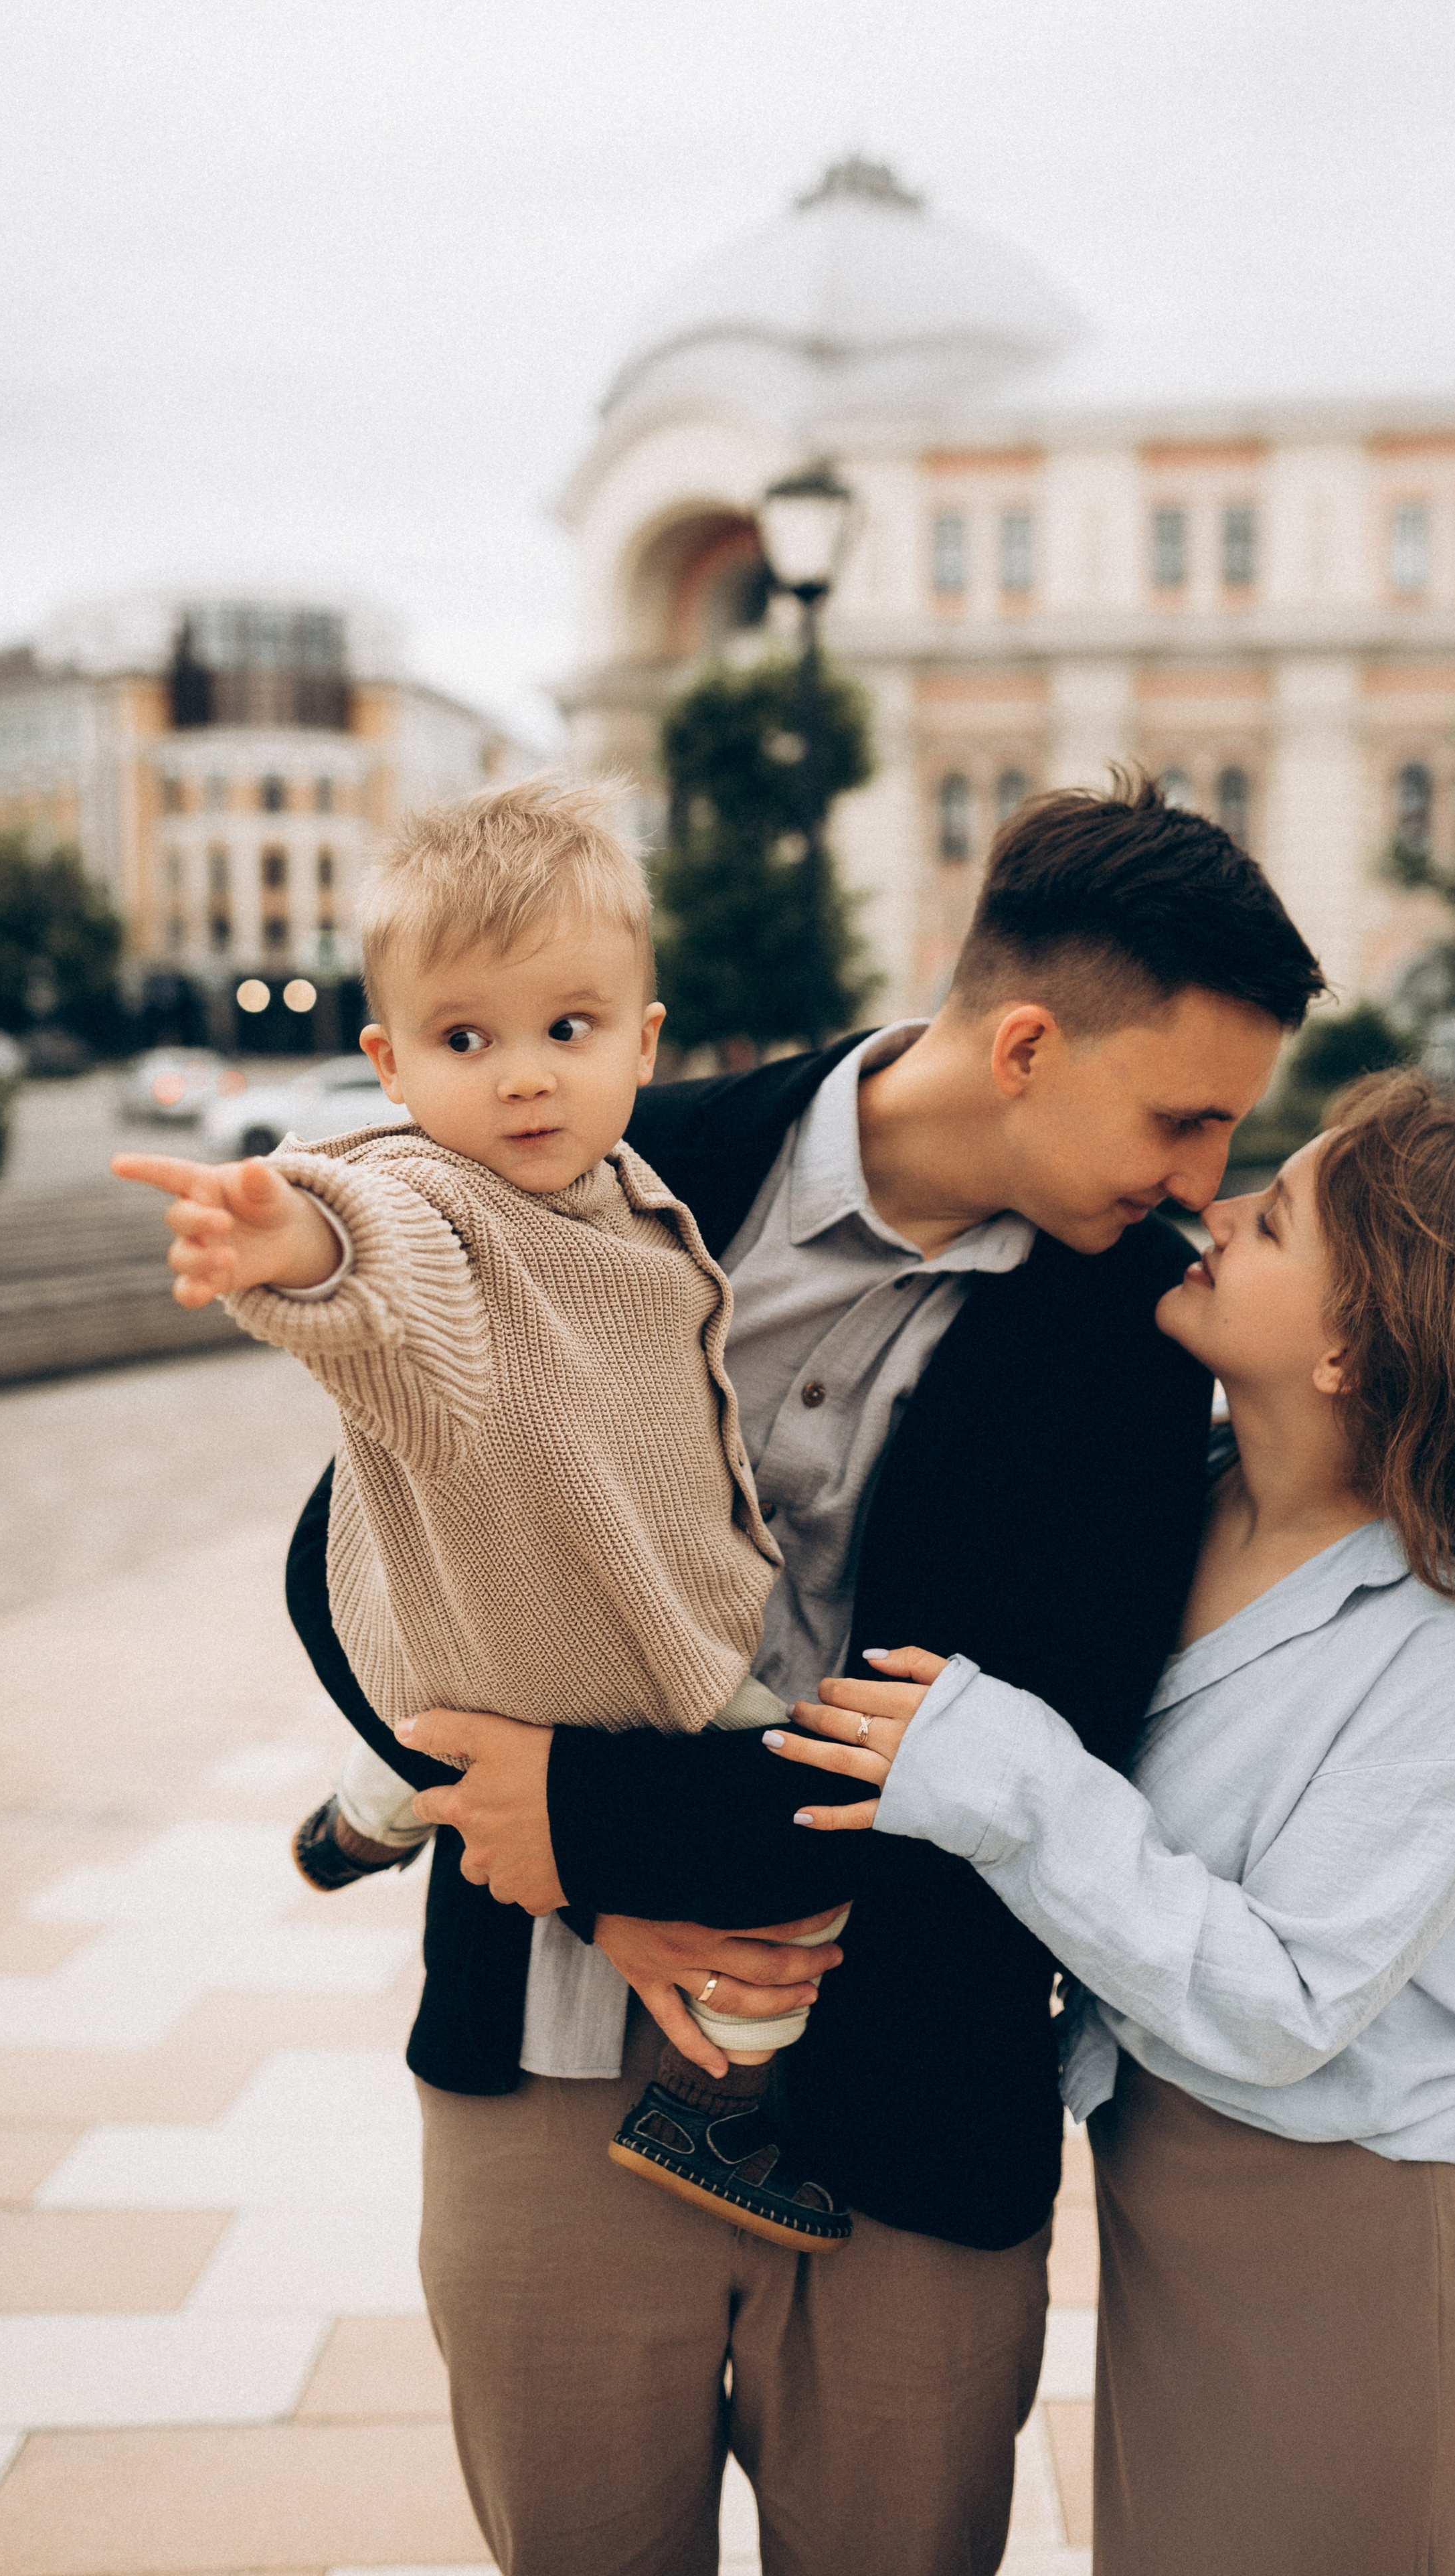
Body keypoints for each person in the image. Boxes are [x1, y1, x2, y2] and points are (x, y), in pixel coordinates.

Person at [287, 777, 1326, 2576]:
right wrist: (582, 1885)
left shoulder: (1134, 1342)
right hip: (552, 2068)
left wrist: (589, 1819)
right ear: (1025, 1044)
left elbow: (1010, 1758)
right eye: (1184, 1119)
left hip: (912, 2125)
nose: (1201, 1185)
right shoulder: (602, 1150)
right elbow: (350, 1555)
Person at [774, 1072, 1455, 2576]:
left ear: (1352, 1343)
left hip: (1351, 2238)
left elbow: (1284, 2001)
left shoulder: (1449, 1647)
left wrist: (1002, 1773)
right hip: (1173, 2210)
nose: (1213, 1211)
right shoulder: (1182, 1503)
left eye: (1273, 1214)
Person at [114, 777, 855, 2249]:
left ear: (643, 1040)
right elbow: (374, 1253)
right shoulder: (433, 1195)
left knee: (438, 1726)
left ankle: (379, 1798)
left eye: (566, 1030)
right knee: (801, 1875)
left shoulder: (630, 1194)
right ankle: (714, 2115)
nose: (523, 1078)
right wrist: (290, 1237)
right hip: (612, 1662)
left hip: (503, 1635)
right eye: (467, 1039)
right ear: (389, 1063)